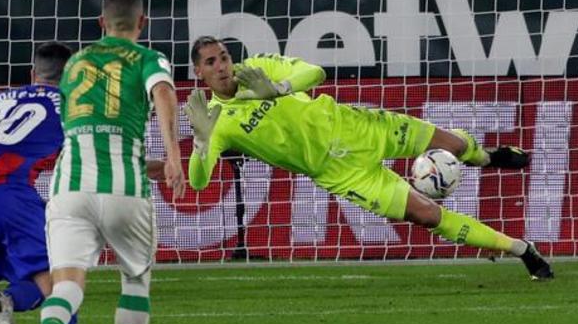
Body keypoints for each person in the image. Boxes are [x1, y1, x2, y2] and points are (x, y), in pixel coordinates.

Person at [184, 36, 553, 280]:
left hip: (356, 127)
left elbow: (314, 72)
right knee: (426, 215)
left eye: (225, 57)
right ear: (199, 72)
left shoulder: (257, 69)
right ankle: (521, 250)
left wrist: (278, 89)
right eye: (212, 62)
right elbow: (199, 181)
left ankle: (487, 158)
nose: (222, 66)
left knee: (450, 146)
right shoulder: (214, 122)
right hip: (340, 173)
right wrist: (201, 143)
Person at [33, 0, 186, 324]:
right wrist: (174, 157)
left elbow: (88, 130)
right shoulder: (149, 58)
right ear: (143, 23)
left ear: (101, 23)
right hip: (124, 189)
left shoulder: (76, 62)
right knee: (135, 281)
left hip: (69, 186)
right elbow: (164, 93)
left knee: (66, 284)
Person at [0, 43, 76, 324]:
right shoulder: (74, 107)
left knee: (30, 281)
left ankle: (6, 301)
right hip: (10, 197)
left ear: (33, 74)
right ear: (72, 77)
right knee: (62, 289)